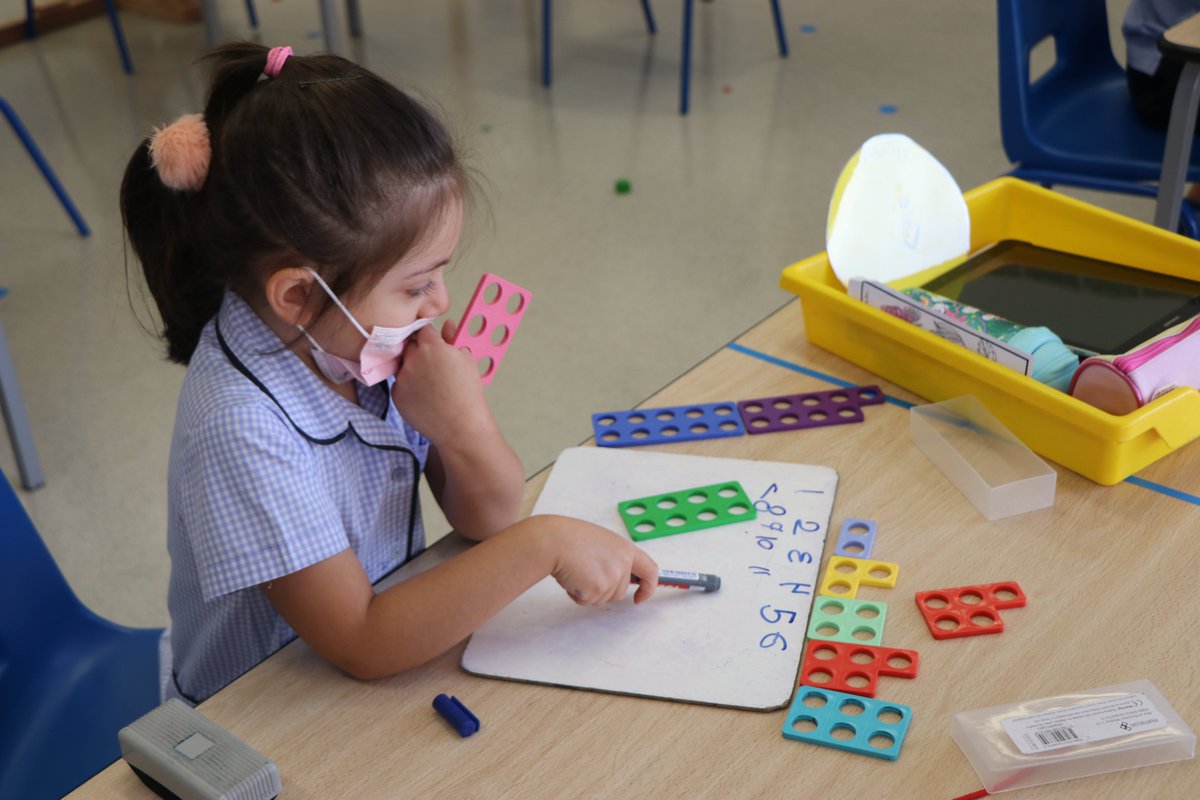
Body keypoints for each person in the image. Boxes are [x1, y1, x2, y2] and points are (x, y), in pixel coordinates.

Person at [120, 43, 659, 705]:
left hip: (362, 671)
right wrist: (543, 543)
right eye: (416, 285)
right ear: (298, 294)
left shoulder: (352, 339)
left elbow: (488, 518)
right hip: (256, 715)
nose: (440, 304)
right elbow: (363, 641)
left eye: (441, 274)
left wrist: (465, 429)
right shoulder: (241, 429)